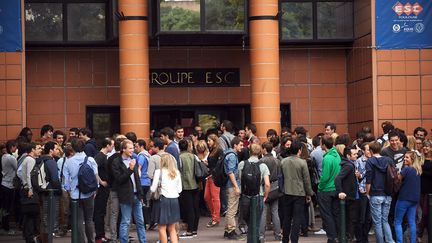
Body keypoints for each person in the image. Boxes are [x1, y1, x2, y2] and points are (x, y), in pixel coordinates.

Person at [63, 138, 98, 243]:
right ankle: (91, 240)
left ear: (72, 148)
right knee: (89, 220)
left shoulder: (68, 162)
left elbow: (66, 181)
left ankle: (81, 241)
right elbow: (96, 176)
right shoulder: (90, 160)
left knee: (78, 220)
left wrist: (69, 191)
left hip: (75, 195)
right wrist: (95, 190)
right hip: (89, 193)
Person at [112, 139, 147, 243]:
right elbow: (119, 179)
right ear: (123, 149)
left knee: (140, 221)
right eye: (130, 148)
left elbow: (137, 179)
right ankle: (123, 241)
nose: (133, 150)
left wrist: (141, 195)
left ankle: (143, 241)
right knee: (126, 221)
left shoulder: (134, 159)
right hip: (126, 195)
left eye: (133, 148)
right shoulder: (116, 162)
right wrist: (130, 169)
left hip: (137, 195)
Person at [279, 140, 313, 243]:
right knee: (297, 218)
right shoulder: (302, 162)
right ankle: (294, 240)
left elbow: (281, 177)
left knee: (287, 218)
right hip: (299, 193)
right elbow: (306, 180)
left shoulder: (283, 161)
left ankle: (285, 239)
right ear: (299, 150)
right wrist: (309, 193)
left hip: (286, 191)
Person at [238, 143, 270, 243]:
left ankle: (251, 238)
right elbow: (267, 184)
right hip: (258, 195)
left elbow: (240, 179)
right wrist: (265, 195)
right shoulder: (263, 166)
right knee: (257, 219)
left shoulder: (242, 164)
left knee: (247, 218)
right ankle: (256, 238)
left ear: (249, 151)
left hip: (245, 195)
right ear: (260, 152)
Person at [366, 141, 394, 243]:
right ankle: (390, 241)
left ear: (371, 151)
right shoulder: (388, 160)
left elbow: (368, 180)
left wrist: (367, 193)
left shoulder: (370, 161)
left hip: (375, 194)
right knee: (385, 220)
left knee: (377, 223)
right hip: (387, 194)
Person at [150, 154, 182, 243]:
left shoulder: (158, 172)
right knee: (172, 228)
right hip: (174, 200)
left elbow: (153, 188)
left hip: (163, 200)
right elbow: (179, 189)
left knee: (162, 227)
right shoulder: (176, 172)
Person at [394, 150, 422, 243]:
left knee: (398, 222)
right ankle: (413, 241)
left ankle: (399, 241)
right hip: (414, 199)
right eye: (404, 157)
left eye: (407, 157)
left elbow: (397, 179)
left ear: (412, 159)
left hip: (404, 198)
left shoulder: (406, 169)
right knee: (412, 222)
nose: (404, 159)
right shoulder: (418, 170)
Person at [317, 135, 341, 243]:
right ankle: (337, 235)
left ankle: (332, 238)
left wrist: (320, 187)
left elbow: (325, 176)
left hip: (326, 190)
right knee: (336, 213)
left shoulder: (327, 158)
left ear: (323, 144)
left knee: (327, 215)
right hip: (336, 188)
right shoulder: (337, 156)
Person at [335, 146, 359, 241]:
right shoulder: (349, 166)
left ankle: (348, 237)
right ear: (348, 156)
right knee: (351, 219)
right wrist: (340, 191)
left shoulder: (348, 164)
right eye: (354, 154)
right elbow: (338, 179)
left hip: (350, 195)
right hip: (350, 197)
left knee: (350, 219)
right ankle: (348, 238)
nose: (356, 156)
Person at [259, 141, 282, 241]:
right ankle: (278, 235)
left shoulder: (261, 161)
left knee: (263, 213)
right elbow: (280, 175)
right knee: (275, 212)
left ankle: (261, 236)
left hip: (265, 187)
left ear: (264, 149)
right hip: (275, 187)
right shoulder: (277, 161)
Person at [223, 137, 244, 240]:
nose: (242, 147)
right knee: (232, 209)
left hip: (229, 185)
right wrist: (236, 187)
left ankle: (227, 230)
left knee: (230, 208)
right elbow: (230, 172)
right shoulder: (232, 156)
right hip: (232, 185)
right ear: (235, 145)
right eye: (240, 145)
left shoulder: (228, 153)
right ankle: (231, 231)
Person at [93, 138, 114, 243]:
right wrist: (101, 182)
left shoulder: (103, 156)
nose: (113, 147)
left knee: (101, 212)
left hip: (104, 189)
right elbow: (93, 169)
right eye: (112, 145)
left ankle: (101, 235)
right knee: (99, 212)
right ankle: (99, 236)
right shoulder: (100, 157)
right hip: (101, 189)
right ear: (107, 145)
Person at [178, 139, 200, 238]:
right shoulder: (193, 156)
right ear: (187, 146)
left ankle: (189, 230)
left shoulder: (179, 158)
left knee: (189, 208)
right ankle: (194, 229)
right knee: (195, 207)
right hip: (195, 183)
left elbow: (178, 171)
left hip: (185, 185)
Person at [204, 134, 223, 228]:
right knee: (207, 196)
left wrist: (213, 170)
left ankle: (216, 218)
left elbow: (219, 164)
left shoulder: (219, 151)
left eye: (209, 141)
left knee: (215, 197)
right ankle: (214, 217)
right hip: (210, 175)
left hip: (214, 176)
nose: (208, 142)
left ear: (214, 141)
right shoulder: (212, 150)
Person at [0, 139, 18, 235]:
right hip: (9, 185)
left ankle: (4, 226)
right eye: (15, 146)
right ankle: (6, 228)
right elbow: (17, 168)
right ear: (12, 147)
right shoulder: (11, 158)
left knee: (4, 207)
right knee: (7, 208)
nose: (16, 148)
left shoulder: (3, 156)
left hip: (4, 183)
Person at [417, 140, 432, 241]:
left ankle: (420, 234)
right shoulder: (420, 158)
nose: (425, 148)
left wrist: (422, 171)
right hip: (421, 190)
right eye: (424, 146)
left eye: (428, 146)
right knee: (424, 213)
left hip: (430, 191)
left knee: (427, 213)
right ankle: (422, 234)